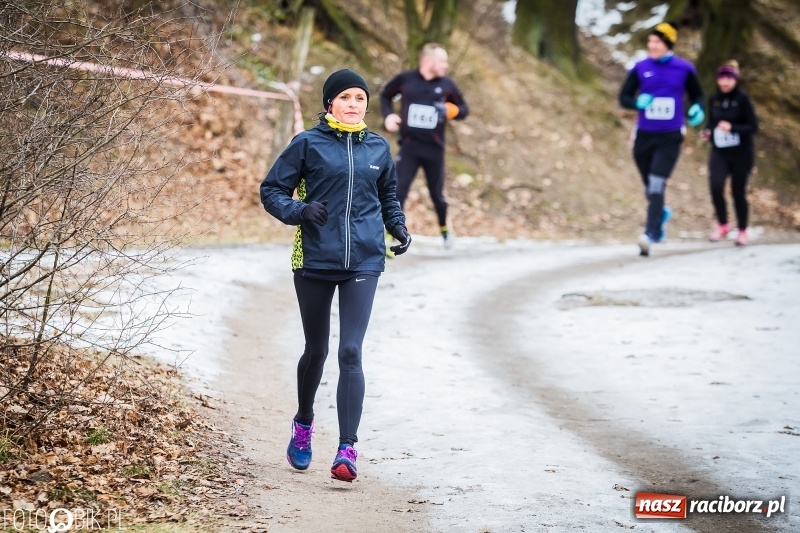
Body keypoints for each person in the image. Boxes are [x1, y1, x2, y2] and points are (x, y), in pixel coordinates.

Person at [260, 68, 411, 482]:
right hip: (314, 259)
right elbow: (272, 191)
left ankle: (347, 449)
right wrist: (299, 211)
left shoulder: (378, 148)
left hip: (364, 259)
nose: (352, 104)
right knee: (317, 350)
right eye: (344, 97)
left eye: (359, 98)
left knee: (351, 352)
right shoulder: (307, 144)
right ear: (330, 103)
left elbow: (388, 196)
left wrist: (397, 225)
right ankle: (304, 425)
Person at [619, 22, 704, 256]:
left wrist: (698, 109)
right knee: (650, 188)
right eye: (649, 42)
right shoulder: (640, 68)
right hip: (644, 136)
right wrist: (636, 103)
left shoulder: (684, 69)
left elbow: (698, 96)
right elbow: (624, 97)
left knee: (657, 183)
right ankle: (660, 213)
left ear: (668, 44)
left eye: (656, 42)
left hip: (670, 136)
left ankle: (649, 234)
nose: (652, 46)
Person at [380, 42, 469, 248]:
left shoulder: (447, 85)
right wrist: (389, 116)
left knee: (436, 195)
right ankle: (391, 235)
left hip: (434, 150)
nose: (446, 65)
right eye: (443, 61)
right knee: (397, 191)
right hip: (410, 147)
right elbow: (386, 95)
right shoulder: (406, 80)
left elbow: (464, 109)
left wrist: (451, 111)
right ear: (428, 61)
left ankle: (445, 229)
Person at [700, 60, 759, 246]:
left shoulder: (742, 99)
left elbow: (753, 126)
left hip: (742, 153)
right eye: (721, 78)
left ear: (735, 80)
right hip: (720, 152)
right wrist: (707, 131)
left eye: (728, 78)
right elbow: (711, 121)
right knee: (715, 186)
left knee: (737, 192)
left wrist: (732, 127)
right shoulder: (714, 99)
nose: (724, 82)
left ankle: (742, 230)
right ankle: (723, 224)